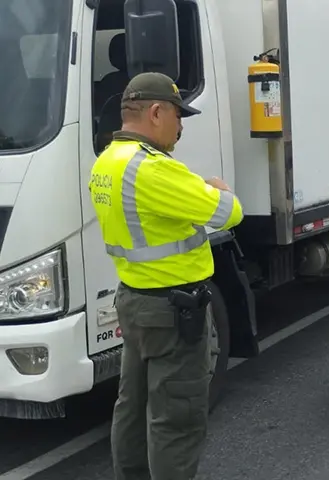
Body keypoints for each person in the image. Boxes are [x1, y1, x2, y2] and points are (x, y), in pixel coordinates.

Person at [89, 72, 244, 479]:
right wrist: (221, 188)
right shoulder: (152, 169)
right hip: (173, 310)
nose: (180, 128)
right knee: (177, 417)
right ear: (156, 112)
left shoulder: (107, 161)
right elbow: (229, 213)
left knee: (132, 406)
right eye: (178, 116)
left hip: (134, 300)